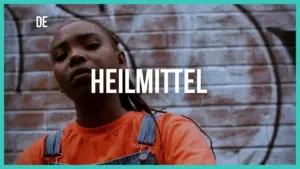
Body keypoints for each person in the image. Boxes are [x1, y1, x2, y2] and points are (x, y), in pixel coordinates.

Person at [15, 20, 216, 165]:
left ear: (121, 61)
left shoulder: (172, 133)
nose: (74, 56)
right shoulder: (38, 157)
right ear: (58, 81)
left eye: (91, 45)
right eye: (60, 56)